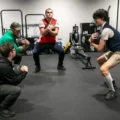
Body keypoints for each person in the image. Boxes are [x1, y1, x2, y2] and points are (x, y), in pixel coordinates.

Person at [88, 9, 120, 100]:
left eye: (96, 18)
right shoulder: (104, 28)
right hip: (113, 50)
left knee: (103, 69)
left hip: (119, 52)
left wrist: (91, 42)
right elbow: (103, 43)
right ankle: (111, 81)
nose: (95, 20)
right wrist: (93, 38)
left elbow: (99, 49)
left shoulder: (106, 30)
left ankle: (112, 91)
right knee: (100, 60)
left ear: (102, 18)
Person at [33, 8, 66, 73]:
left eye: (51, 12)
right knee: (35, 52)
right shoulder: (41, 21)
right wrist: (49, 29)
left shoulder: (56, 21)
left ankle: (60, 65)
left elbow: (56, 33)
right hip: (42, 42)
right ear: (45, 14)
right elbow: (43, 33)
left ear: (52, 13)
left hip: (52, 42)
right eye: (47, 12)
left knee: (62, 51)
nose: (49, 13)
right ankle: (37, 66)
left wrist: (48, 30)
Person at [0, 42, 28, 117]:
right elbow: (14, 81)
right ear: (11, 53)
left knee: (16, 68)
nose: (15, 50)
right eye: (14, 49)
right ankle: (2, 109)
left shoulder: (3, 59)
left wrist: (20, 71)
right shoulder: (4, 66)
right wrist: (24, 72)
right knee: (15, 90)